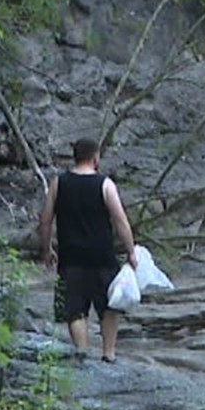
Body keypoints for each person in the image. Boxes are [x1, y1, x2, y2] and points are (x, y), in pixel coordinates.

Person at [38, 138, 139, 363]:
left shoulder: (58, 183)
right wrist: (131, 251)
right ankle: (109, 354)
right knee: (110, 305)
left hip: (70, 255)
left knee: (74, 309)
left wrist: (47, 249)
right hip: (102, 255)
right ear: (95, 157)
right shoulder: (105, 184)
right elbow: (120, 220)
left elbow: (45, 220)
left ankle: (82, 351)